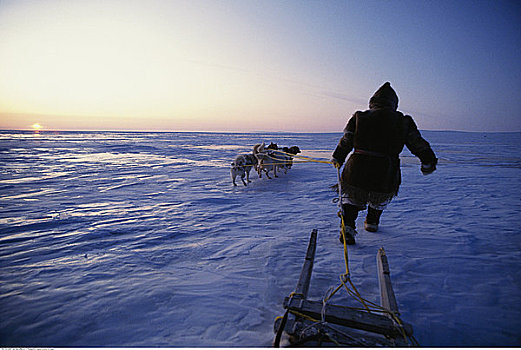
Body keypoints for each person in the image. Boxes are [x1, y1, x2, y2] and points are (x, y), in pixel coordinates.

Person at [331, 82, 437, 245]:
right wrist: (427, 159)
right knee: (379, 198)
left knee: (352, 198)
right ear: (394, 104)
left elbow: (347, 139)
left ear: (372, 102)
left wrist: (338, 157)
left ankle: (348, 227)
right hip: (385, 169)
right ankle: (372, 222)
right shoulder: (403, 121)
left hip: (358, 166)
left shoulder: (360, 116)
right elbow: (416, 142)